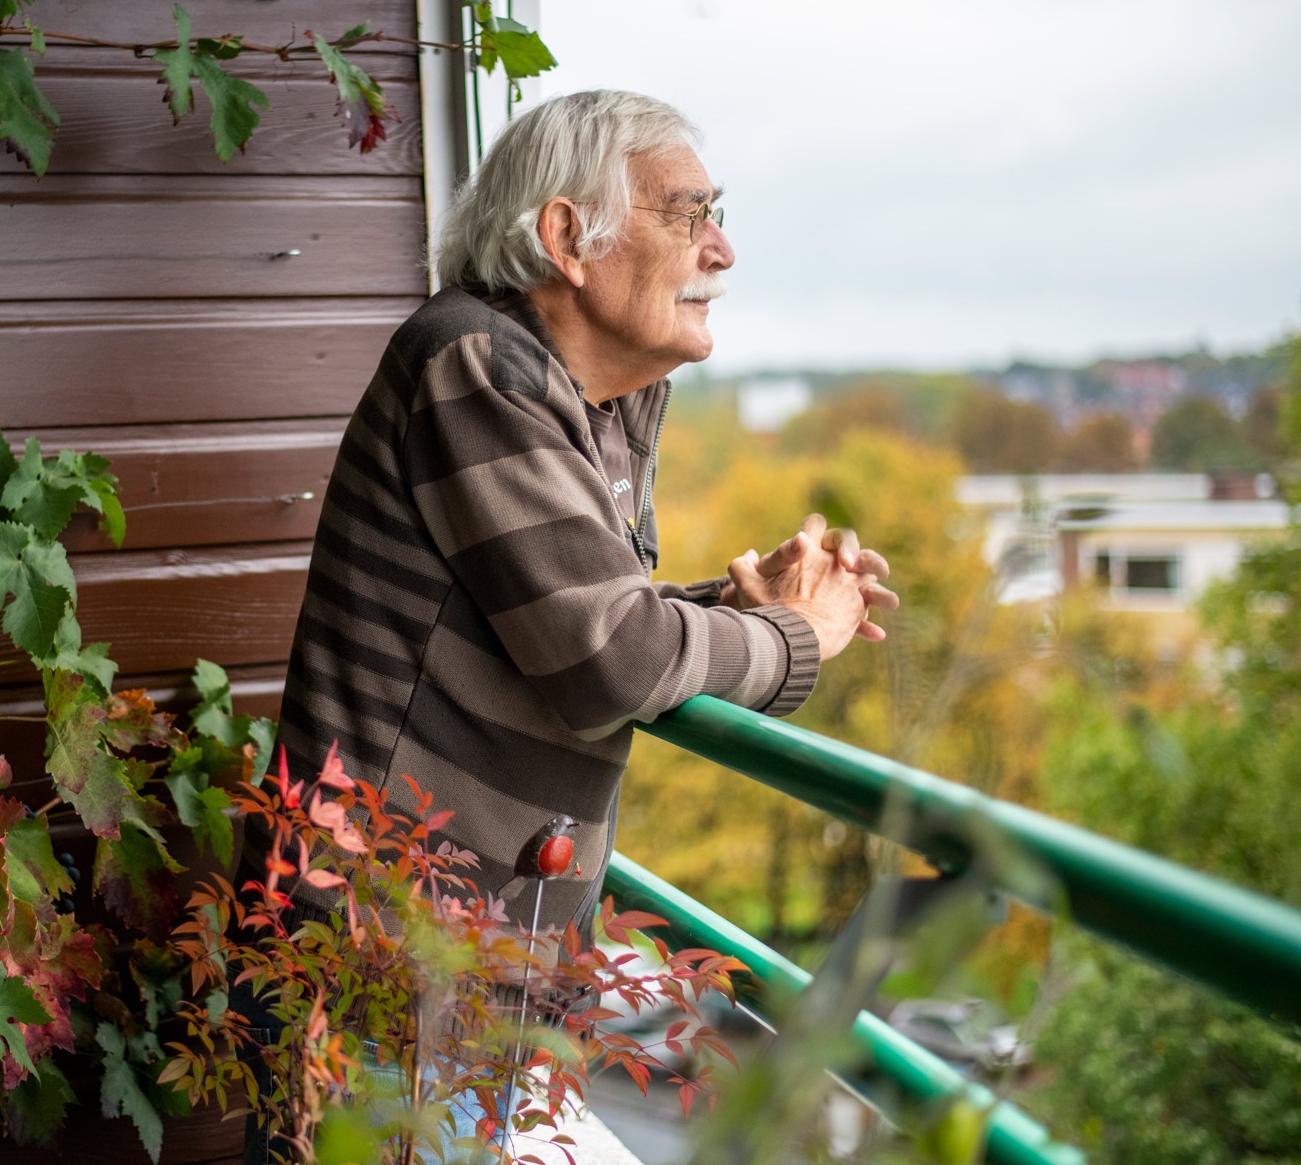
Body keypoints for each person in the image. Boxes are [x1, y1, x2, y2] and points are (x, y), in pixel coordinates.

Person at [246, 89, 895, 1159]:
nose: (722, 249)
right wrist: (797, 637)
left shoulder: (586, 400)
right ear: (566, 238)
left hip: (478, 975)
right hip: (392, 981)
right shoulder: (477, 364)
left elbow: (565, 617)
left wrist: (746, 604)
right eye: (691, 215)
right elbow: (613, 659)